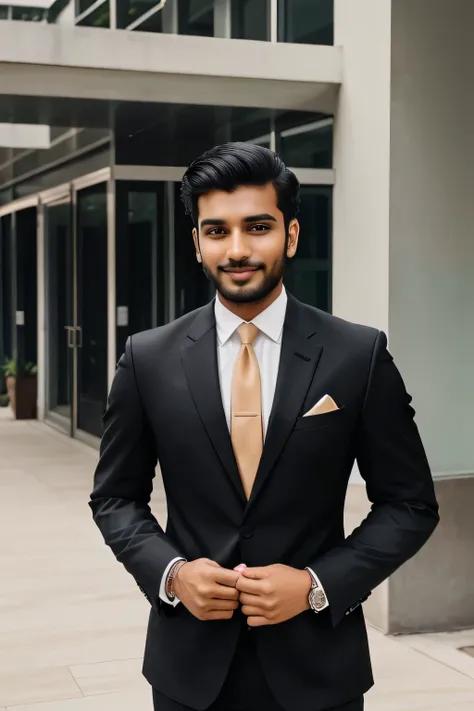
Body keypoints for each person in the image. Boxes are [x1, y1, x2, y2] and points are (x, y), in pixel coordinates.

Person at [89, 143, 439, 711]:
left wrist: (317, 585)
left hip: (319, 671)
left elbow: (410, 504)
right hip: (189, 672)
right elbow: (114, 497)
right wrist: (173, 574)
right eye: (217, 231)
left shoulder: (357, 354)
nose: (238, 249)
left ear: (291, 235)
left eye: (258, 226)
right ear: (197, 242)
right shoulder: (148, 358)